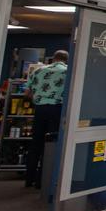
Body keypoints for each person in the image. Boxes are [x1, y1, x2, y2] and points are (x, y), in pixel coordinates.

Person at [23, 50, 68, 189]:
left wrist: (40, 98)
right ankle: (42, 180)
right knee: (50, 144)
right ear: (66, 60)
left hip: (40, 109)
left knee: (36, 142)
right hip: (56, 109)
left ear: (53, 58)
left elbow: (27, 93)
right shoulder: (67, 71)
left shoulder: (38, 70)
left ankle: (28, 179)